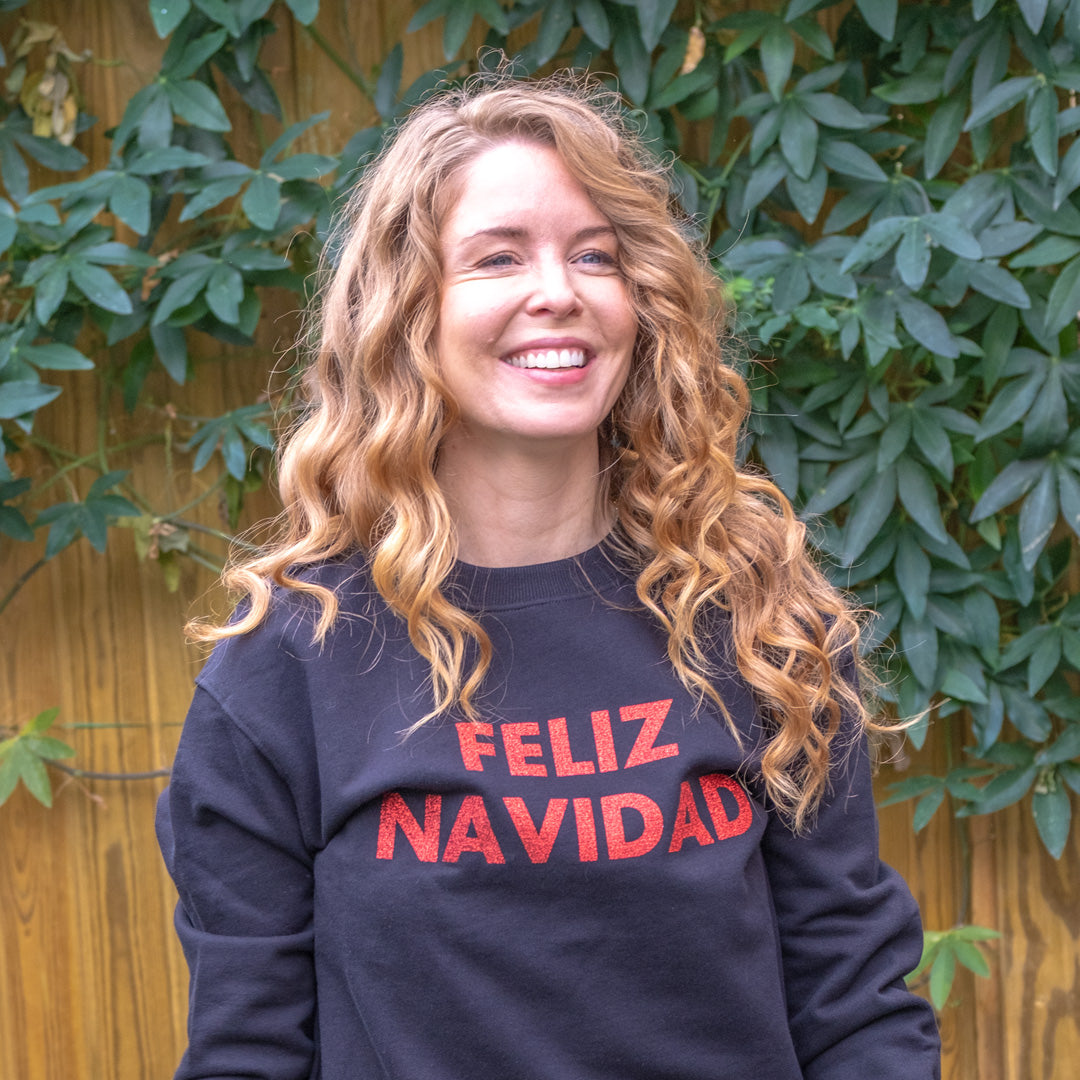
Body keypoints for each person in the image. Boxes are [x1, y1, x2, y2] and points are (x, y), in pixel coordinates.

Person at [156, 71, 941, 1080]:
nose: (559, 292)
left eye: (595, 256)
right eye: (498, 257)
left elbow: (857, 1010)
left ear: (642, 302)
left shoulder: (756, 621)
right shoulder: (289, 661)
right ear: (406, 312)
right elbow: (248, 1049)